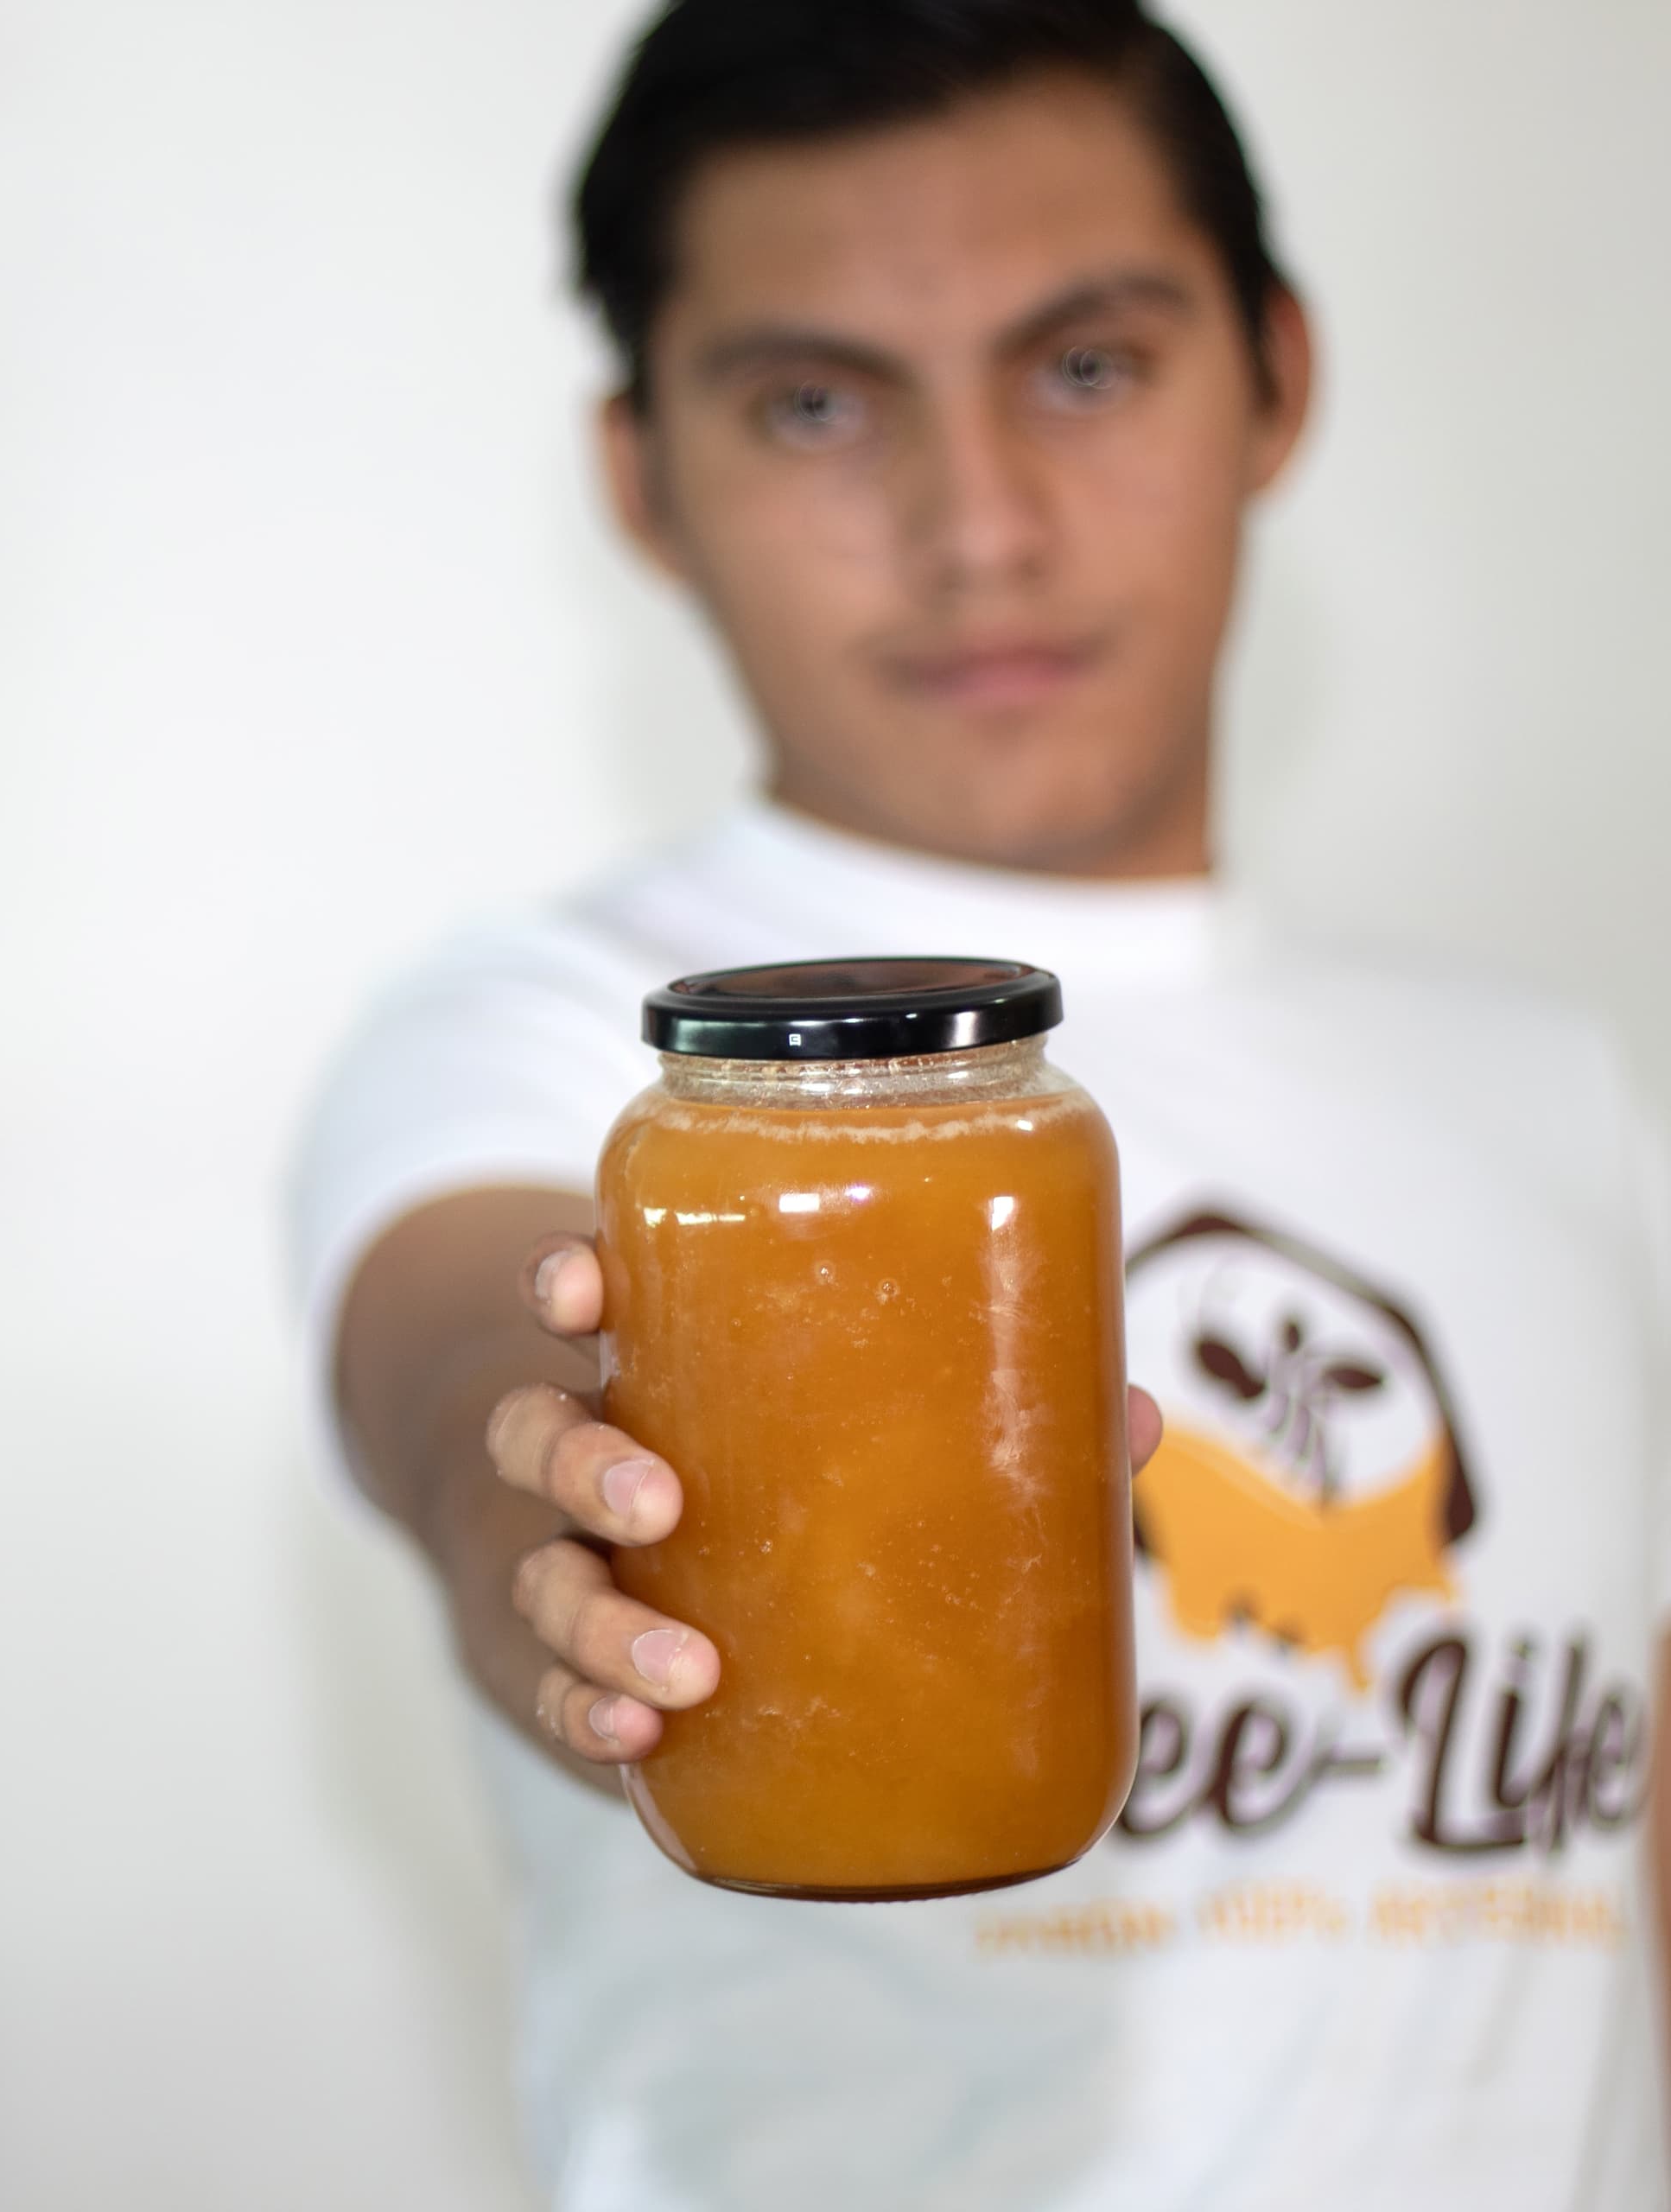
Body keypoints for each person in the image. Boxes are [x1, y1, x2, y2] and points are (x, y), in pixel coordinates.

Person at [291, 1, 1670, 2204]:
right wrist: (575, 1492)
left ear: (1280, 380)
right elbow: (470, 1353)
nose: (979, 525)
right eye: (819, 403)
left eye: (1089, 367)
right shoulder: (564, 1052)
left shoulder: (1553, 1089)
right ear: (641, 474)